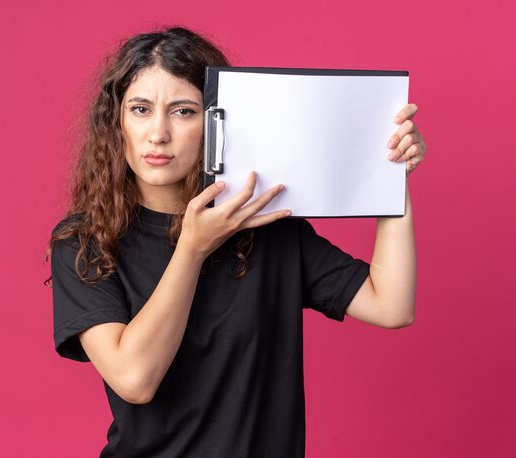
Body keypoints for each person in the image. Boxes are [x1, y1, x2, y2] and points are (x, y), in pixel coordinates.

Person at [49, 26, 426, 457]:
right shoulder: (85, 242)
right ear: (116, 123)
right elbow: (136, 379)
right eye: (140, 109)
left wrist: (390, 178)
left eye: (183, 111)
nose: (158, 133)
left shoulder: (268, 227)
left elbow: (392, 306)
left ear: (217, 121)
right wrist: (192, 248)